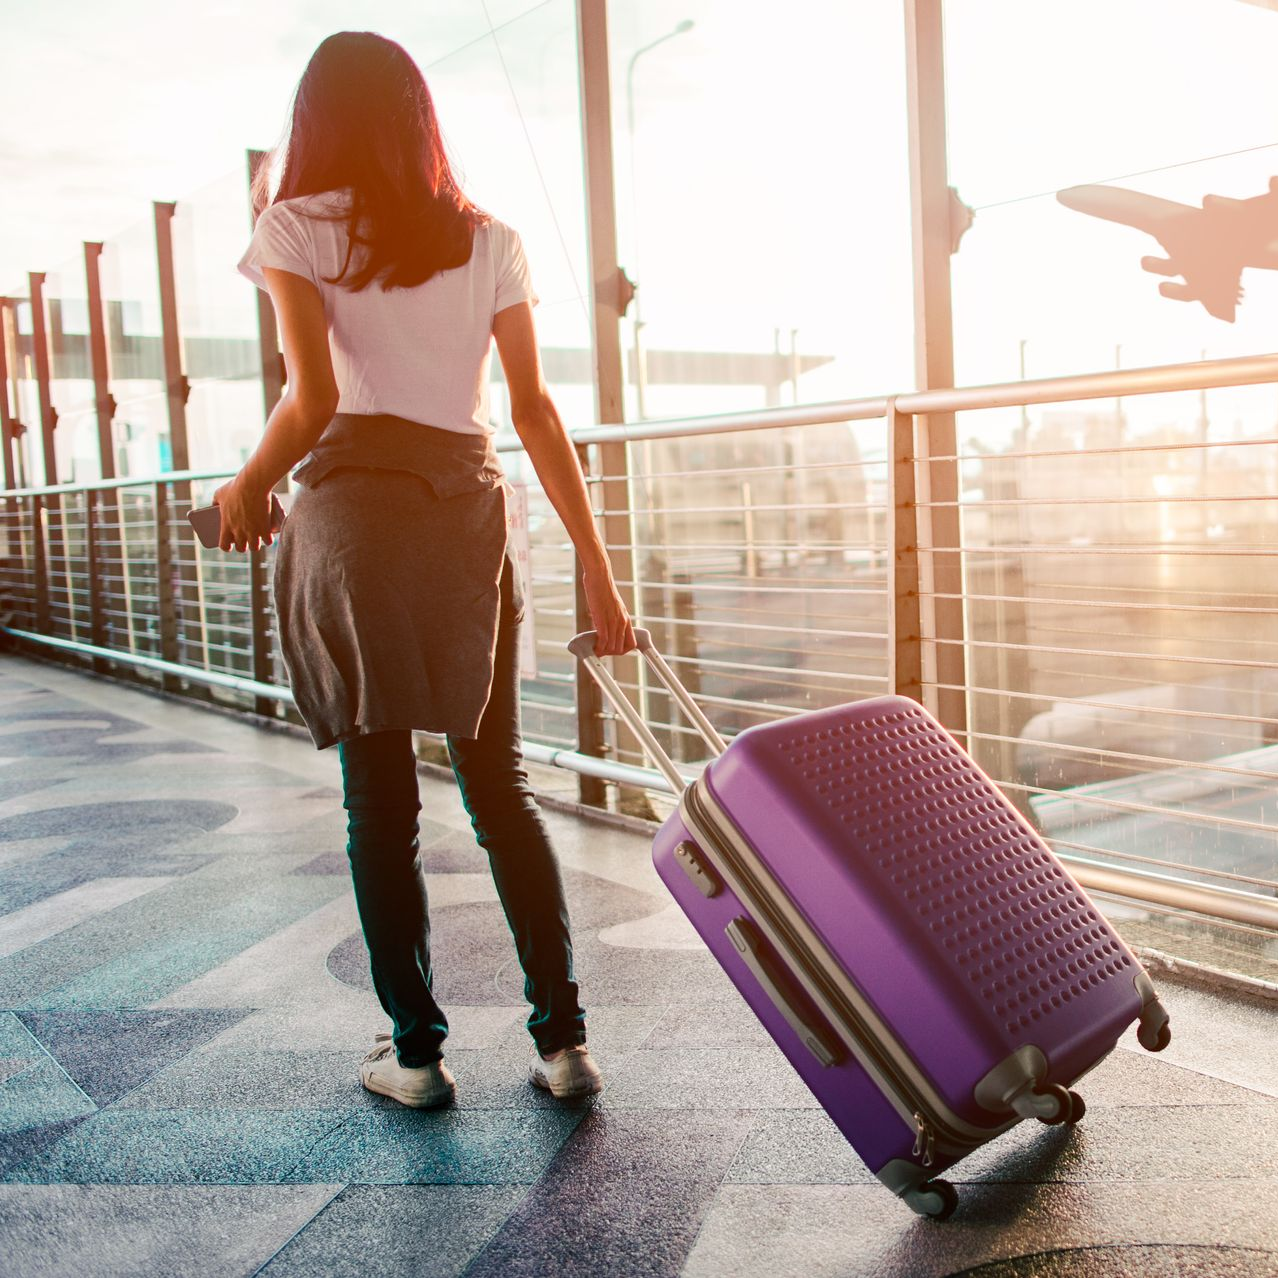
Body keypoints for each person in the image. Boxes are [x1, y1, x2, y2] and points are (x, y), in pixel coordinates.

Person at [217, 30, 634, 1109]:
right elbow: (535, 413)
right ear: (417, 119)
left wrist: (245, 488)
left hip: (357, 531)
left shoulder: (292, 228)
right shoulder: (490, 238)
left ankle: (416, 1054)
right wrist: (598, 568)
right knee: (502, 791)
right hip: (466, 526)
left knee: (382, 810)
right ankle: (563, 1044)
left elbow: (310, 403)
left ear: (314, 122)